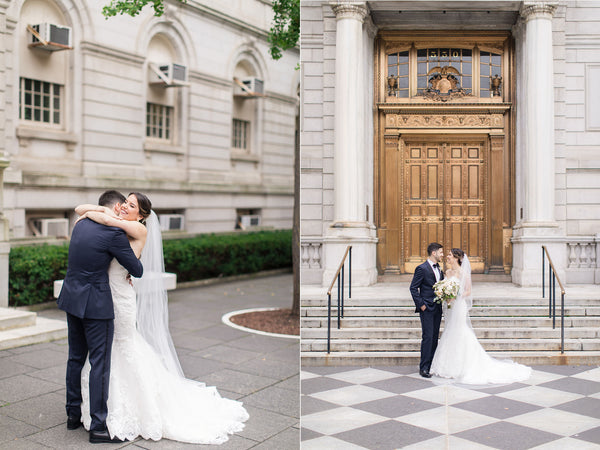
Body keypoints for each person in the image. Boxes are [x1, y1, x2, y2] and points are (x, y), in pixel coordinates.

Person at [76, 192, 249, 444]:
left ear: (142, 215)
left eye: (131, 205)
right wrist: (96, 211)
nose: (125, 207)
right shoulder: (120, 221)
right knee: (108, 350)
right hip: (106, 294)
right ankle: (102, 412)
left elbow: (106, 221)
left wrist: (97, 213)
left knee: (122, 345)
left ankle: (126, 411)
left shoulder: (136, 228)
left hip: (120, 298)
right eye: (126, 202)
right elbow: (81, 208)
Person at [58, 190, 143, 444]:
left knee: (75, 358)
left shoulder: (81, 224)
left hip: (71, 297)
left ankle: (73, 415)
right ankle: (98, 427)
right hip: (96, 306)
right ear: (117, 207)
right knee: (100, 364)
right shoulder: (114, 234)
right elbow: (136, 270)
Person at [431, 248, 532, 384]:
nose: (447, 257)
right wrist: (445, 295)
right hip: (449, 307)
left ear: (456, 258)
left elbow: (468, 291)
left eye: (449, 255)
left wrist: (456, 295)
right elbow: (444, 287)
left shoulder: (464, 273)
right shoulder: (448, 272)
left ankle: (463, 365)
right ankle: (448, 365)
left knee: (459, 330)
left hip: (459, 306)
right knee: (450, 330)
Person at [409, 242, 444, 378]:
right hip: (427, 308)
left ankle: (431, 365)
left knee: (434, 337)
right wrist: (421, 305)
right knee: (428, 337)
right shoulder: (421, 268)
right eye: (441, 252)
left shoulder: (439, 269)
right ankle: (423, 367)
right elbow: (413, 288)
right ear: (434, 253)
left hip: (437, 308)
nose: (442, 255)